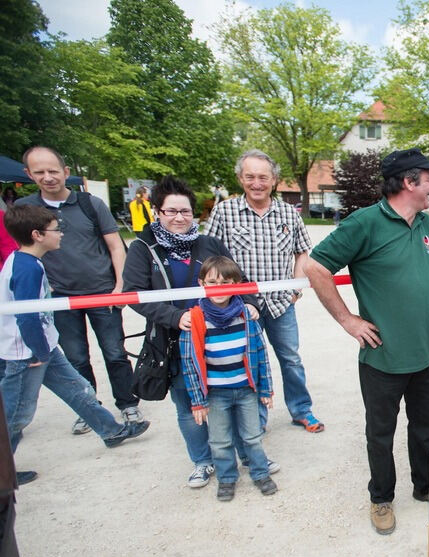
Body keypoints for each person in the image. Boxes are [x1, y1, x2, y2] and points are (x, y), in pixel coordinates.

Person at [305, 148, 429, 536]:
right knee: (381, 432)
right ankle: (381, 499)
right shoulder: (365, 223)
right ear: (409, 183)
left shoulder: (428, 226)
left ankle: (426, 487)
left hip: (425, 352)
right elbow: (316, 266)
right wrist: (348, 320)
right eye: (428, 179)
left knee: (427, 426)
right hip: (382, 356)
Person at [122, 175, 277, 489]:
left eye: (186, 212)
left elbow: (238, 279)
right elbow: (134, 294)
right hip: (176, 340)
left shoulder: (208, 243)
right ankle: (203, 461)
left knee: (234, 396)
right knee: (188, 403)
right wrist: (175, 317)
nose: (179, 218)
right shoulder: (142, 248)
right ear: (157, 212)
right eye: (171, 212)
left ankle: (248, 454)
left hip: (223, 335)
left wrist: (250, 303)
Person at [0, 206, 150, 484]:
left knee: (76, 389)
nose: (60, 235)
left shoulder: (24, 262)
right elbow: (27, 315)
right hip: (28, 352)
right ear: (37, 234)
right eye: (56, 230)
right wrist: (39, 351)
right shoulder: (27, 267)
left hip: (43, 345)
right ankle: (3, 472)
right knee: (16, 414)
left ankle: (111, 430)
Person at [17, 146, 142, 435]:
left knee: (114, 351)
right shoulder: (27, 210)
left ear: (66, 173)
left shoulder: (90, 204)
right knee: (76, 356)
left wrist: (119, 287)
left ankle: (128, 403)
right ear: (29, 175)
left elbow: (115, 246)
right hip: (59, 297)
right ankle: (89, 408)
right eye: (40, 172)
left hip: (101, 291)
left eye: (53, 170)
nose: (48, 177)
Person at [206, 149, 323, 433]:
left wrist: (296, 290)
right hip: (241, 307)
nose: (256, 183)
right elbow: (209, 256)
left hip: (282, 304)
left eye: (262, 177)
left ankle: (301, 410)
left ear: (273, 180)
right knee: (249, 360)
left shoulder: (287, 212)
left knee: (291, 358)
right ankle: (254, 419)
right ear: (240, 178)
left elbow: (302, 253)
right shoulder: (224, 212)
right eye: (250, 177)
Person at [179, 257, 277, 502]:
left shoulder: (246, 315)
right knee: (220, 441)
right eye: (212, 282)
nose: (219, 288)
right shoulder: (195, 319)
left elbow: (261, 354)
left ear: (237, 284)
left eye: (226, 282)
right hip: (216, 393)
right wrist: (198, 401)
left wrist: (266, 389)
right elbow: (190, 364)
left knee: (253, 436)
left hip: (246, 390)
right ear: (201, 283)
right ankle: (227, 478)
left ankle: (260, 472)